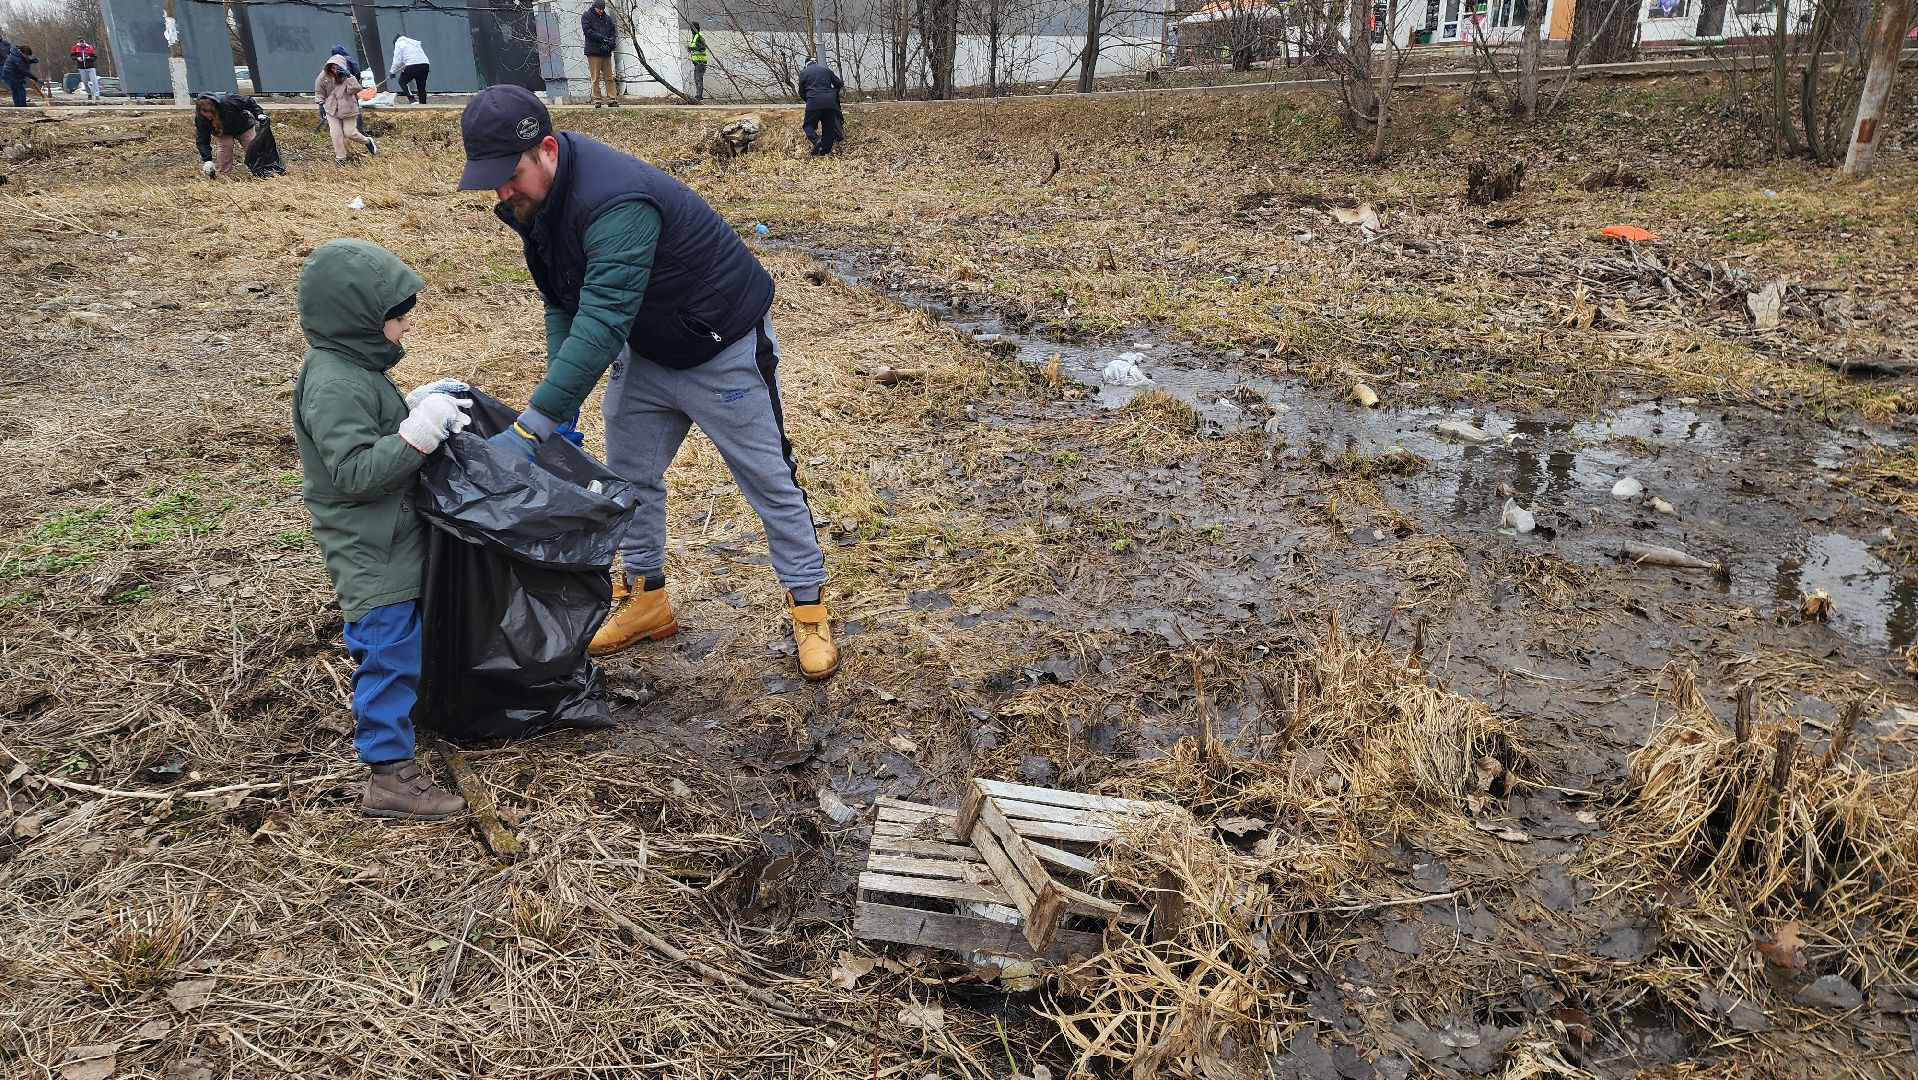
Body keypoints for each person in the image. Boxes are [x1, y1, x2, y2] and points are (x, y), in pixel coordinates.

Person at [455, 86, 841, 681]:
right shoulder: (537, 202)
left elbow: (604, 316)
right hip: (649, 348)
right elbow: (565, 299)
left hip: (721, 344)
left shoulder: (616, 201)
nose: (501, 193)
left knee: (768, 478)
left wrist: (533, 424)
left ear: (548, 150)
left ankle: (808, 606)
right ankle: (648, 598)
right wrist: (563, 406)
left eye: (509, 176)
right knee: (629, 474)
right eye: (490, 180)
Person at [293, 238, 471, 821]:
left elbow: (369, 429)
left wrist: (411, 407)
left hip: (391, 537)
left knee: (405, 640)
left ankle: (408, 730)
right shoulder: (333, 382)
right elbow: (352, 471)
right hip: (370, 549)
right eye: (397, 322)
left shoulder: (352, 367)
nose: (403, 333)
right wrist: (417, 435)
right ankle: (389, 774)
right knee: (387, 648)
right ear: (361, 321)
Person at [315, 57, 377, 166]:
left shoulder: (347, 76)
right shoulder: (324, 76)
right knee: (335, 134)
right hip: (332, 108)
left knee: (350, 133)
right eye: (333, 68)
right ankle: (341, 158)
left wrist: (349, 76)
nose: (335, 70)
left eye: (337, 68)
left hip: (348, 108)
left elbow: (357, 89)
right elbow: (319, 91)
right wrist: (320, 104)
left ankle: (367, 141)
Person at [194, 92, 267, 178]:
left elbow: (248, 101)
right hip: (222, 131)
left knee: (252, 146)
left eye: (210, 116)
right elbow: (202, 138)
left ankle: (261, 172)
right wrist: (207, 159)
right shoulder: (201, 118)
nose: (209, 118)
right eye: (206, 117)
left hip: (243, 125)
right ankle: (225, 176)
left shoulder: (229, 100)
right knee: (225, 147)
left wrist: (258, 114)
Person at [796, 55, 843, 156]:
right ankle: (825, 150)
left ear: (806, 64)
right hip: (830, 103)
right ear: (816, 62)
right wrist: (832, 93)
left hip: (813, 102)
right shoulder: (826, 70)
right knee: (828, 126)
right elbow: (839, 84)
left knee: (808, 125)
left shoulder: (804, 73)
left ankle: (816, 140)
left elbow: (801, 92)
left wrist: (808, 100)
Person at [582, 0, 617, 108]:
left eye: (603, 9)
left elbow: (612, 30)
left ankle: (612, 99)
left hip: (605, 52)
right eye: (599, 9)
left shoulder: (607, 18)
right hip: (593, 51)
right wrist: (603, 39)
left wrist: (611, 40)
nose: (601, 11)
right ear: (594, 7)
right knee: (595, 77)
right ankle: (597, 100)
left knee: (609, 77)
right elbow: (587, 31)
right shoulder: (586, 16)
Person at [3, 43, 49, 108]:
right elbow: (25, 72)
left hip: (13, 74)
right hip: (11, 75)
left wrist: (32, 61)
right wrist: (37, 79)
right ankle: (22, 107)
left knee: (16, 91)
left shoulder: (17, 53)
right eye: (26, 55)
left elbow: (24, 60)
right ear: (22, 52)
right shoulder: (17, 59)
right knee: (20, 90)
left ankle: (18, 106)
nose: (27, 57)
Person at [389, 35, 430, 104]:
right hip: (425, 65)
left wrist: (392, 72)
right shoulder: (413, 42)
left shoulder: (398, 44)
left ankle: (412, 100)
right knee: (421, 86)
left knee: (402, 81)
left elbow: (397, 60)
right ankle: (423, 104)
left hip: (412, 65)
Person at [686, 21, 707, 103]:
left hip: (700, 61)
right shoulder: (695, 37)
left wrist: (692, 49)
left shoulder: (698, 36)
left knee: (698, 78)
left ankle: (699, 95)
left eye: (692, 28)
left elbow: (702, 48)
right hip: (696, 62)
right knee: (696, 78)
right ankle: (698, 94)